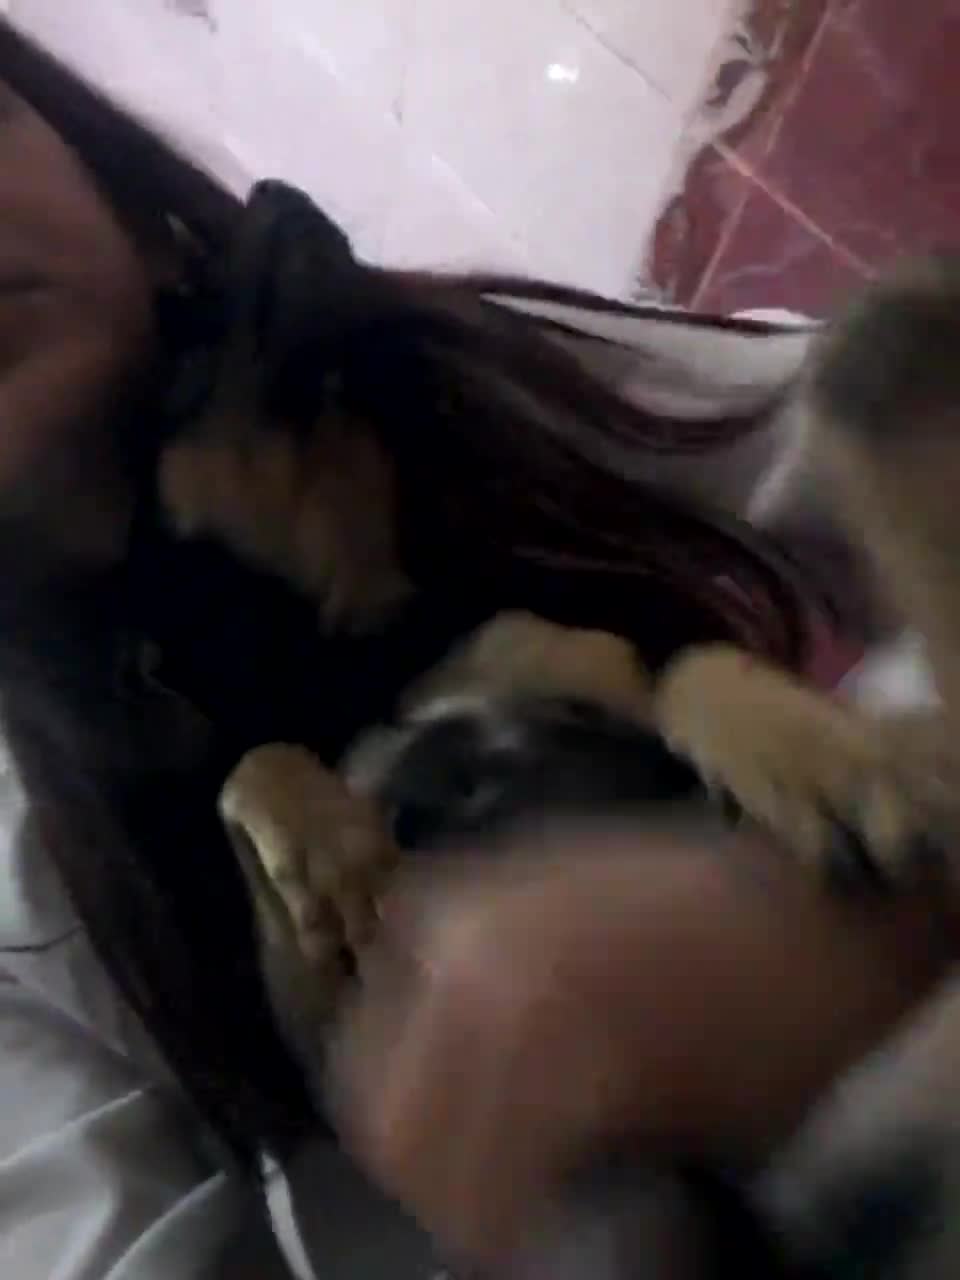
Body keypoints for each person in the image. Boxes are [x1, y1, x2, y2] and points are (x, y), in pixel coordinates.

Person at [0, 18, 948, 1279]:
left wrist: (863, 910)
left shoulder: (428, 384)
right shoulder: (27, 916)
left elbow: (876, 427)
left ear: (121, 199)